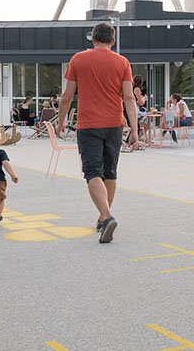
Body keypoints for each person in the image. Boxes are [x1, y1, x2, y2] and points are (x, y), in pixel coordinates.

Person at [55, 22, 139, 244]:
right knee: (110, 172)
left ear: (92, 38)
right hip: (114, 124)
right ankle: (103, 217)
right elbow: (129, 98)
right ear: (113, 40)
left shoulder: (78, 59)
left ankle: (107, 215)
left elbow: (67, 96)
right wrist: (135, 129)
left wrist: (60, 122)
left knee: (93, 172)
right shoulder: (122, 62)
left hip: (89, 125)